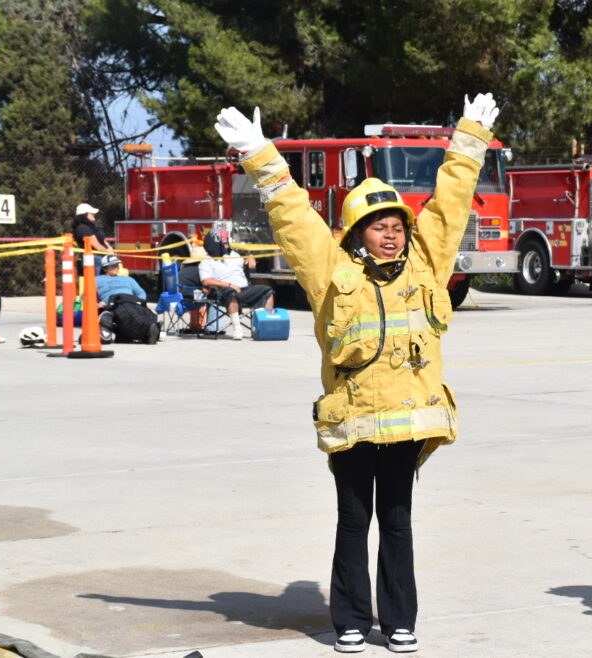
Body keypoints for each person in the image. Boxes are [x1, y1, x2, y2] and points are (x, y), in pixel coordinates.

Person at [214, 93, 499, 653]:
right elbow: (293, 214)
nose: (391, 234)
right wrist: (257, 151)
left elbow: (451, 203)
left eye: (397, 224)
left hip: (406, 427)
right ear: (354, 233)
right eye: (378, 226)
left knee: (397, 523)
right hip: (352, 426)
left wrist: (469, 136)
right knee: (353, 521)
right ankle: (349, 620)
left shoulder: (426, 263)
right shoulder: (329, 270)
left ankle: (399, 622)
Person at [197, 228, 275, 340]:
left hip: (243, 289)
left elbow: (247, 257)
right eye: (223, 242)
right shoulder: (207, 260)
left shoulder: (235, 255)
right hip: (221, 292)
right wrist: (229, 285)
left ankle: (266, 326)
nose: (226, 243)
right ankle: (237, 328)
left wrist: (250, 256)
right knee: (231, 293)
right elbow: (206, 281)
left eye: (227, 241)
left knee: (267, 291)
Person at [72, 202, 113, 272]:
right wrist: (108, 252)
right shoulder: (82, 228)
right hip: (94, 259)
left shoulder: (92, 227)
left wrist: (110, 249)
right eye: (91, 213)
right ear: (84, 215)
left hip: (102, 256)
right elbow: (97, 246)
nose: (94, 215)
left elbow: (103, 241)